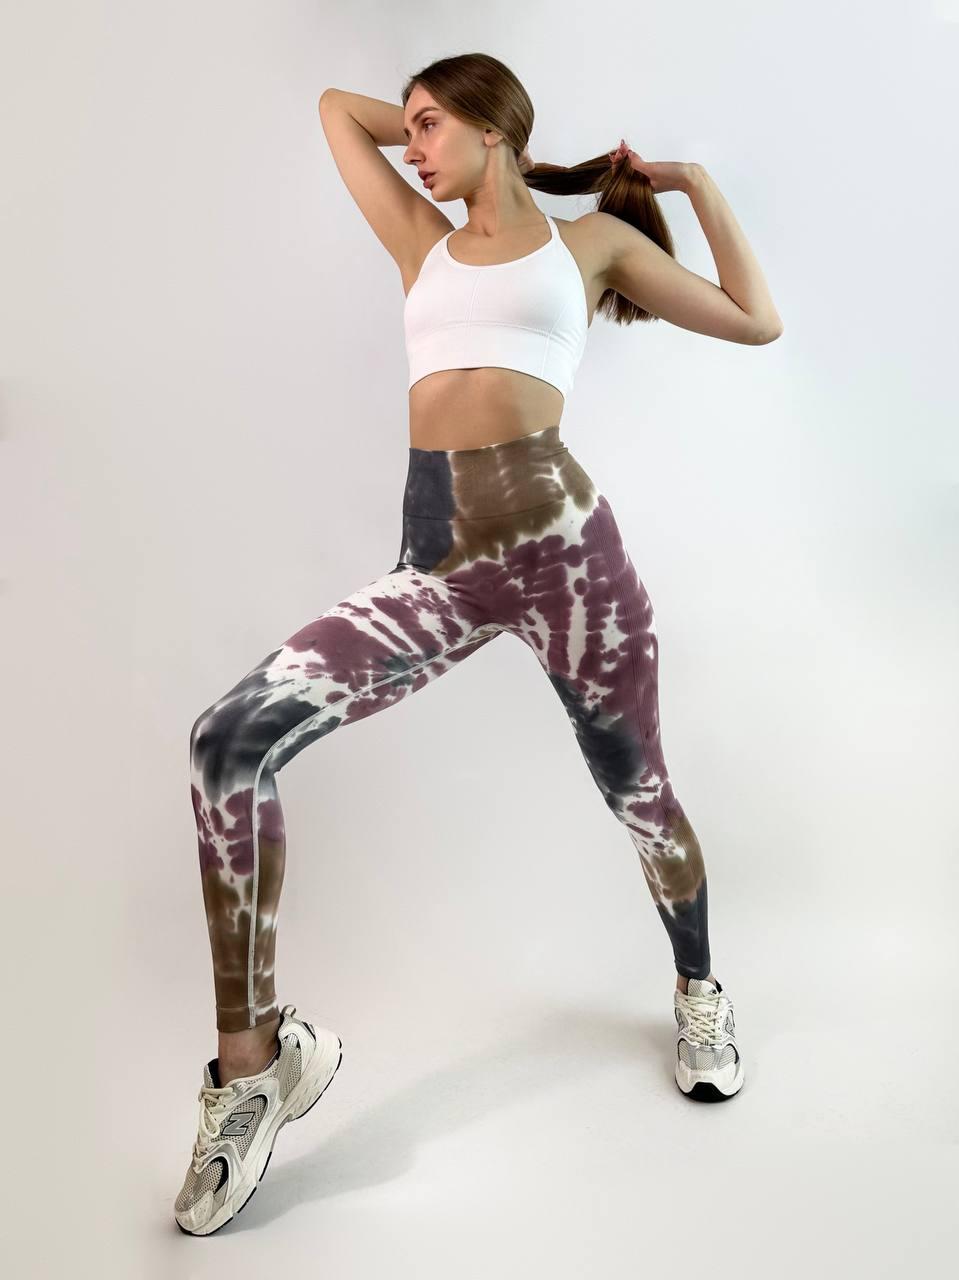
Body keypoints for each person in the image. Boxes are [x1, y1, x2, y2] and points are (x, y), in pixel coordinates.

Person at [174, 52, 783, 1235]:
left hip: (570, 560)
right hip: (436, 567)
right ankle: (254, 1065)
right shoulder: (421, 240)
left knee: (639, 791)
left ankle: (698, 987)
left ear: (489, 127)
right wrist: (457, 125)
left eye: (429, 127)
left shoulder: (588, 247)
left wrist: (694, 184)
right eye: (407, 130)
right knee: (225, 741)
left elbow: (754, 320)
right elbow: (333, 111)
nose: (409, 148)